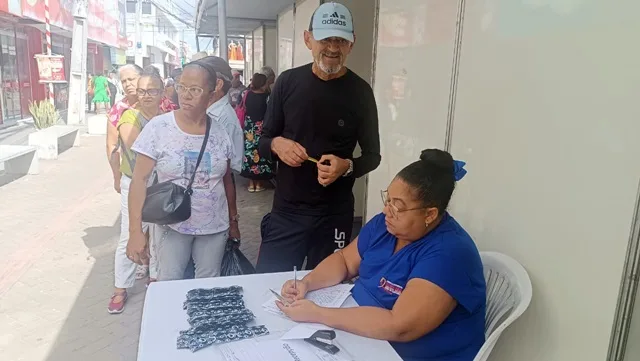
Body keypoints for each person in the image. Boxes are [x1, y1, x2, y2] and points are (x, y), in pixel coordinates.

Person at [276, 149, 486, 361]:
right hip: (363, 334)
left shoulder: (449, 254)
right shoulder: (386, 226)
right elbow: (345, 261)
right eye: (388, 200)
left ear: (429, 214)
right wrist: (307, 283)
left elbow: (400, 326)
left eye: (398, 207)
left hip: (408, 352)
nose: (387, 211)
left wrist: (318, 314)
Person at [256, 2, 381, 273]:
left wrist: (347, 167)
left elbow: (373, 156)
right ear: (308, 39)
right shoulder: (287, 83)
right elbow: (263, 142)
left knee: (327, 291)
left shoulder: (361, 92)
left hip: (334, 215)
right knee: (267, 285)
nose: (333, 48)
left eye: (341, 40)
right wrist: (278, 144)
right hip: (286, 212)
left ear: (352, 43)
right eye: (325, 39)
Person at [126, 59, 240, 281]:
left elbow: (227, 181)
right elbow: (139, 180)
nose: (185, 95)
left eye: (195, 89)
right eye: (181, 87)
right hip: (173, 224)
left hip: (214, 227)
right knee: (170, 282)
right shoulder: (159, 128)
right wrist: (135, 231)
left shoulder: (220, 131)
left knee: (209, 284)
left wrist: (234, 222)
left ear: (211, 93)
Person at [108, 66, 165, 314]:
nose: (146, 95)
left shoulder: (166, 117)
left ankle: (156, 278)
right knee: (130, 235)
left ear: (163, 92)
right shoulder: (130, 117)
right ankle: (121, 288)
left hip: (162, 184)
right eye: (142, 91)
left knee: (160, 234)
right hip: (136, 183)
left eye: (152, 90)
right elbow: (137, 150)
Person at [200, 56, 244, 174]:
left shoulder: (224, 118)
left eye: (200, 78)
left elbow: (232, 166)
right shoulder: (206, 111)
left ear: (218, 84)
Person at [240, 73, 273, 192]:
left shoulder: (246, 94)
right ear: (264, 83)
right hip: (262, 127)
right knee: (261, 152)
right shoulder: (268, 96)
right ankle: (259, 184)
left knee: (249, 153)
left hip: (249, 128)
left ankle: (250, 184)